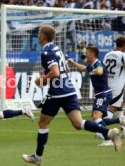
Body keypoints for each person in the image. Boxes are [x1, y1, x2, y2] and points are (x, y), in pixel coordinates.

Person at [22, 25, 121, 165]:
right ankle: (109, 133)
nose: (37, 35)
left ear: (43, 36)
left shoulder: (46, 52)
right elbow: (66, 69)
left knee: (43, 123)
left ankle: (37, 157)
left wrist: (41, 80)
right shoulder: (56, 48)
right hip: (69, 90)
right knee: (78, 123)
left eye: (39, 33)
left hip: (57, 93)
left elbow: (55, 73)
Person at [68, 45, 124, 146]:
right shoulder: (91, 65)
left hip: (104, 94)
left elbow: (100, 70)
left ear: (93, 54)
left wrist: (95, 70)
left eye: (87, 52)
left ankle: (109, 139)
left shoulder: (97, 63)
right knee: (97, 118)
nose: (85, 54)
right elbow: (82, 67)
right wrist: (72, 63)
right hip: (100, 94)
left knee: (96, 116)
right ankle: (120, 120)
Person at [102, 36, 125, 137]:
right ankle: (102, 131)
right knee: (111, 108)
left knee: (120, 106)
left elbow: (103, 69)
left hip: (108, 84)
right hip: (118, 87)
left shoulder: (107, 54)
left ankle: (124, 131)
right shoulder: (122, 55)